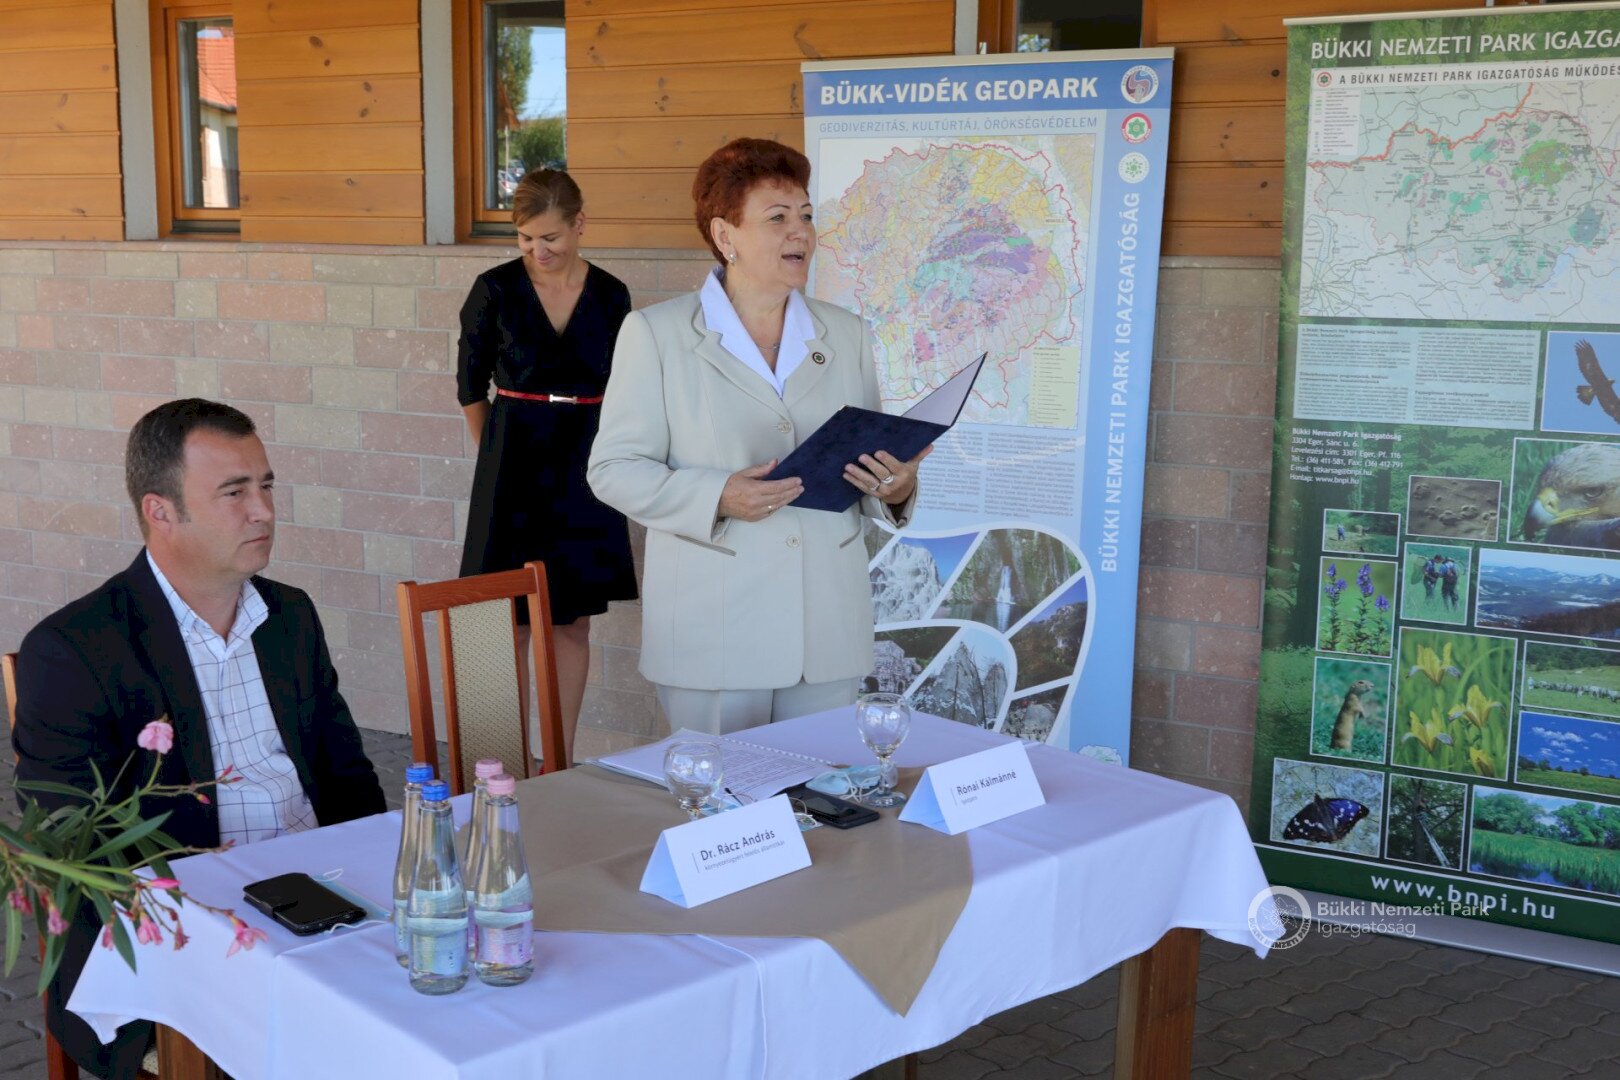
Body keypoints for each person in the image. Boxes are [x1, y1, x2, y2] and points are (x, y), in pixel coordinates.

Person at [12, 399, 386, 1080]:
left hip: (323, 903)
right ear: (160, 511)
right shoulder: (74, 650)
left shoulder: (290, 615)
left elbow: (348, 777)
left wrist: (377, 888)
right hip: (187, 936)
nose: (264, 511)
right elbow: (69, 848)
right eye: (234, 492)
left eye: (266, 485)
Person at [588, 138, 926, 735]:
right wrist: (717, 495)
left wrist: (894, 489)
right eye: (777, 218)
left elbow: (866, 461)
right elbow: (613, 469)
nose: (801, 232)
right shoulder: (656, 334)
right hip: (715, 628)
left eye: (806, 216)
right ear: (726, 236)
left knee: (824, 789)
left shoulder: (847, 333)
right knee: (721, 792)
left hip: (826, 627)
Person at [458, 169, 636, 762]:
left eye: (551, 237)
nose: (538, 251)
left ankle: (559, 758)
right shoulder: (494, 289)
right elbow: (469, 387)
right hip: (510, 463)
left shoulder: (611, 294)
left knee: (571, 620)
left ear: (580, 225)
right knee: (506, 620)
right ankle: (504, 761)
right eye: (526, 238)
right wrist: (495, 460)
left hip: (587, 462)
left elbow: (629, 386)